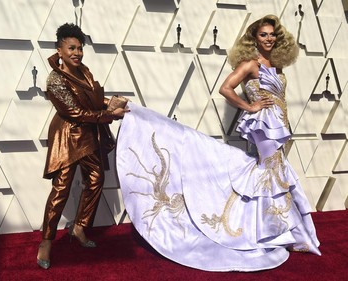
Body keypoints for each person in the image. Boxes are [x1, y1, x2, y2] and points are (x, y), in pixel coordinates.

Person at [116, 14, 320, 272]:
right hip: (264, 127)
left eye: (272, 34)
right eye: (263, 35)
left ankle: (277, 229)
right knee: (274, 173)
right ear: (254, 39)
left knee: (274, 174)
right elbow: (226, 88)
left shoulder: (277, 66)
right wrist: (250, 106)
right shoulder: (251, 64)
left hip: (280, 124)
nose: (268, 39)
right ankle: (281, 233)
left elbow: (279, 96)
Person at [36, 23, 129, 270]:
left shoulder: (84, 71)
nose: (77, 53)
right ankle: (46, 241)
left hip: (89, 135)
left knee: (97, 179)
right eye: (71, 48)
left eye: (80, 48)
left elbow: (95, 100)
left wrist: (113, 104)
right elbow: (75, 113)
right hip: (68, 137)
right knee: (61, 190)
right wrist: (110, 116)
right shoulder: (54, 79)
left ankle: (79, 227)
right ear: (60, 49)